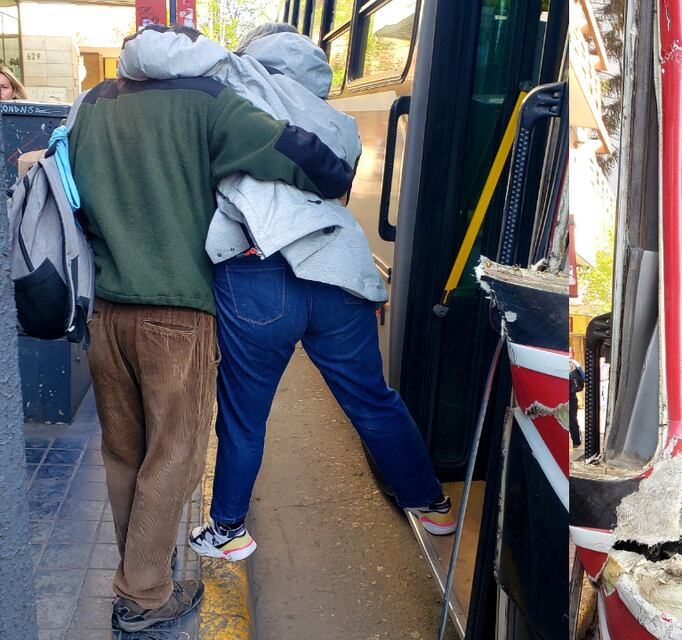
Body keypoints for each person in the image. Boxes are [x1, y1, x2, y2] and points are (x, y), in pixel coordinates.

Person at [115, 23, 456, 565]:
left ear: (256, 54)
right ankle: (432, 504)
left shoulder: (234, 76)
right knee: (372, 399)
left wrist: (150, 41)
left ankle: (228, 528)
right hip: (340, 270)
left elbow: (149, 55)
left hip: (258, 269)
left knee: (245, 415)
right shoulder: (337, 122)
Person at [68, 24, 355, 632]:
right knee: (173, 455)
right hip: (177, 316)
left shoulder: (94, 103)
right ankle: (143, 595)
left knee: (123, 452)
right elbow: (297, 156)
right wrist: (335, 174)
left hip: (104, 314)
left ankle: (140, 568)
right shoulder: (207, 101)